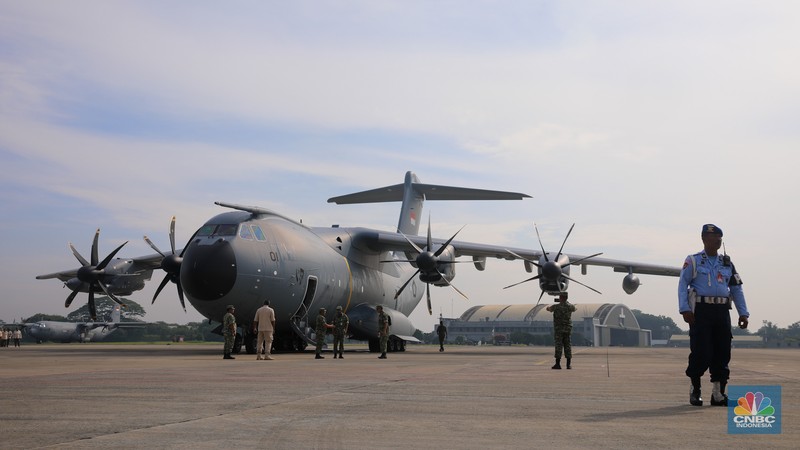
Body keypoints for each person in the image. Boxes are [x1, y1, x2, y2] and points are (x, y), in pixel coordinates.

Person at [679, 224, 749, 407]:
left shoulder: (726, 263)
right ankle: (695, 390)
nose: (717, 240)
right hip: (701, 312)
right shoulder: (693, 260)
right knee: (701, 352)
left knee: (722, 352)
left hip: (722, 311)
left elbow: (736, 288)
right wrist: (684, 309)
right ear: (704, 239)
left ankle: (718, 394)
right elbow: (682, 285)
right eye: (713, 237)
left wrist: (743, 312)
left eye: (719, 236)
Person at [546, 292, 576, 369]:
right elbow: (574, 309)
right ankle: (568, 365)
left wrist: (549, 308)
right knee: (567, 345)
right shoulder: (570, 307)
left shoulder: (556, 307)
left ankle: (558, 364)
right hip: (567, 329)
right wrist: (567, 302)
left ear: (561, 297)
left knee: (559, 346)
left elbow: (548, 309)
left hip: (559, 329)